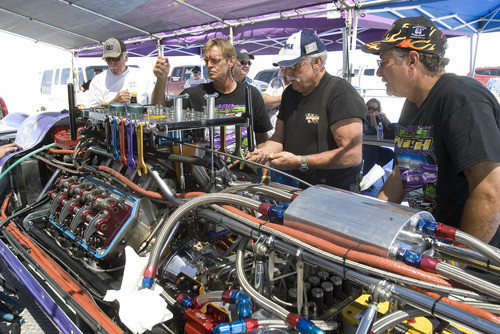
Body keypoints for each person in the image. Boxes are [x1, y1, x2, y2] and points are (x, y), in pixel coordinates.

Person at [361, 16, 500, 245]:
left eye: (383, 62)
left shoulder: (460, 96)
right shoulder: (411, 105)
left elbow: (490, 193)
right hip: (431, 243)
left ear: (412, 60)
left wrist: (456, 263)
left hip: (474, 259)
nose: (379, 72)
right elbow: (402, 173)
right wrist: (369, 226)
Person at [247, 31, 366, 191]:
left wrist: (300, 161)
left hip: (337, 190)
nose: (287, 73)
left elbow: (352, 154)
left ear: (316, 62)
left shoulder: (341, 93)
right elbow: (279, 138)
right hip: (304, 185)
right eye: (284, 67)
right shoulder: (290, 93)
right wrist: (262, 153)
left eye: (294, 66)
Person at [151, 38, 272, 180]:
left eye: (215, 60)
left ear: (231, 61)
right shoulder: (195, 94)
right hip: (204, 180)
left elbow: (262, 138)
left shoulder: (250, 93)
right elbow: (159, 112)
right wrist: (161, 79)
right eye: (206, 61)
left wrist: (265, 176)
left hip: (243, 178)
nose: (209, 65)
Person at [87, 38, 155, 107]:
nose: (112, 63)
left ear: (126, 57)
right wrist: (114, 102)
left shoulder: (142, 76)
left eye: (116, 59)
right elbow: (92, 110)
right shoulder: (98, 81)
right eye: (108, 59)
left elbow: (155, 105)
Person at [362, 98, 394, 176]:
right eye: (369, 108)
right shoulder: (362, 118)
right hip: (362, 146)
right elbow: (377, 132)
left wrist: (384, 117)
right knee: (373, 152)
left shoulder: (378, 118)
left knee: (389, 153)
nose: (371, 111)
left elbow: (391, 129)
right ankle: (365, 177)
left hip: (375, 146)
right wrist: (372, 118)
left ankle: (370, 174)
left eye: (374, 109)